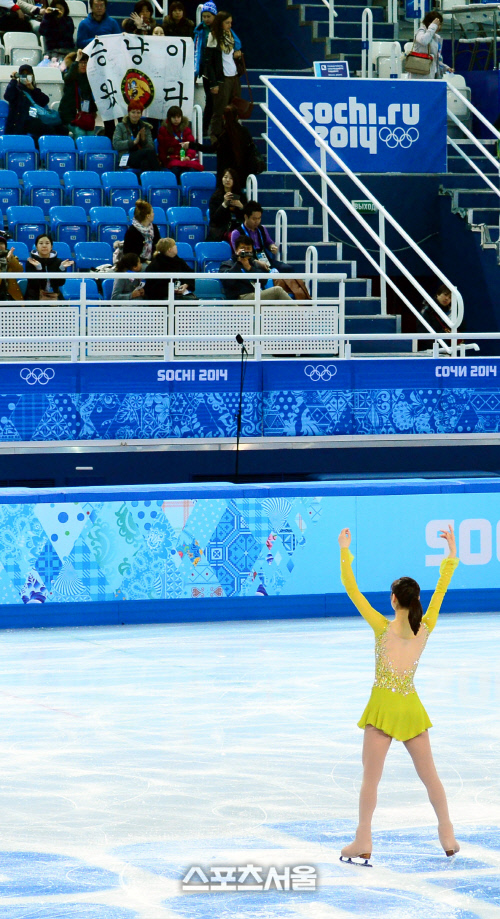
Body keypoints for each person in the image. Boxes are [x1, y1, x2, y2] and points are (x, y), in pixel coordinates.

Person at [337, 524, 460, 864]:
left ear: (393, 599)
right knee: (430, 776)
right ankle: (447, 834)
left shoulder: (381, 626)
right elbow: (442, 590)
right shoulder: (426, 625)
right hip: (410, 709)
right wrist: (450, 554)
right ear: (416, 600)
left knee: (370, 781)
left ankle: (363, 839)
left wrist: (345, 550)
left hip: (382, 711)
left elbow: (351, 589)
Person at [220, 235, 292, 303]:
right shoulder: (227, 264)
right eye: (243, 248)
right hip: (240, 298)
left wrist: (249, 268)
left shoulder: (253, 263)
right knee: (277, 291)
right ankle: (299, 314)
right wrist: (238, 263)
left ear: (252, 251)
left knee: (278, 303)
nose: (245, 251)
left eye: (248, 249)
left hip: (257, 295)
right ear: (236, 250)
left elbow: (264, 281)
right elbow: (228, 282)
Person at [205, 10, 242, 140]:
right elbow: (208, 62)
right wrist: (213, 83)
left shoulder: (230, 36)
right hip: (222, 78)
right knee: (219, 109)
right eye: (227, 23)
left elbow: (232, 54)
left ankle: (232, 135)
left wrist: (237, 55)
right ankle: (215, 137)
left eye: (231, 23)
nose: (230, 25)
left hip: (234, 75)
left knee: (234, 108)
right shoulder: (213, 36)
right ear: (220, 23)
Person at [230, 201, 292, 273]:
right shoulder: (236, 233)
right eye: (254, 219)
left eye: (259, 218)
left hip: (265, 259)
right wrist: (256, 262)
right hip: (249, 262)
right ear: (246, 217)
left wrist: (272, 247)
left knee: (287, 269)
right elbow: (238, 254)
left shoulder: (262, 228)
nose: (257, 221)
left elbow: (269, 242)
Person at [4, 64, 56, 139]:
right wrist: (13, 80)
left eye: (28, 74)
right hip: (18, 122)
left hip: (33, 121)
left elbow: (45, 100)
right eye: (23, 74)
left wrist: (33, 89)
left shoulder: (34, 91)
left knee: (57, 129)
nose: (25, 76)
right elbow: (8, 96)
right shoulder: (16, 89)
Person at [157, 105, 203, 181]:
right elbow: (162, 149)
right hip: (171, 159)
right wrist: (164, 161)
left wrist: (188, 156)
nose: (176, 119)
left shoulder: (186, 130)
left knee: (192, 170)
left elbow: (191, 146)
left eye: (178, 117)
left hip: (186, 158)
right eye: (174, 117)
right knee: (176, 169)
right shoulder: (163, 130)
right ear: (169, 118)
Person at [59, 49, 96, 138]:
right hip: (70, 115)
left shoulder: (89, 79)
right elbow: (68, 77)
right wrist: (76, 61)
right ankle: (80, 152)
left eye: (85, 63)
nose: (83, 65)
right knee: (80, 133)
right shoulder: (70, 77)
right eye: (81, 62)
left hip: (85, 116)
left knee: (91, 135)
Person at [113, 101, 159, 172]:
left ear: (141, 114)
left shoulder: (145, 127)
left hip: (141, 156)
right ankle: (159, 176)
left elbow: (151, 147)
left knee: (145, 163)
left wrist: (143, 140)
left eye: (138, 113)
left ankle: (144, 182)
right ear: (129, 113)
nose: (136, 115)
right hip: (126, 157)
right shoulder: (120, 126)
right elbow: (116, 144)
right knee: (149, 154)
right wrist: (133, 142)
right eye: (133, 112)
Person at [26, 234, 73, 301]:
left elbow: (60, 283)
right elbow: (34, 284)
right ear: (36, 246)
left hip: (54, 296)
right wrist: (39, 268)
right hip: (34, 297)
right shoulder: (31, 262)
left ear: (51, 246)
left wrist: (61, 269)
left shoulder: (58, 262)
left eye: (47, 243)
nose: (44, 246)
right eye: (41, 243)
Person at [194, 1, 217, 134]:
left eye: (209, 16)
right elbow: (196, 50)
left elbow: (236, 41)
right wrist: (197, 69)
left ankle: (215, 128)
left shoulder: (221, 29)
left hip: (220, 70)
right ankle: (204, 128)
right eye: (204, 16)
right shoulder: (199, 30)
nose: (206, 19)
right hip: (206, 69)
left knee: (218, 102)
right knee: (209, 99)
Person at [408, 10, 452, 80]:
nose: (439, 27)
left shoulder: (436, 38)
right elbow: (424, 41)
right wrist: (433, 26)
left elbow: (436, 59)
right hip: (418, 76)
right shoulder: (420, 31)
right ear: (430, 23)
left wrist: (446, 68)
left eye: (440, 24)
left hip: (431, 76)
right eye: (438, 24)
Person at [207, 167, 246, 242]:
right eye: (225, 177)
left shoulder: (240, 196)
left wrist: (241, 206)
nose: (227, 180)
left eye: (231, 178)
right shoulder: (216, 196)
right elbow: (214, 219)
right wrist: (224, 204)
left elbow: (247, 216)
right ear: (222, 179)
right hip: (221, 229)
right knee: (233, 237)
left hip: (238, 227)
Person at [123, 200, 161, 264]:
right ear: (147, 216)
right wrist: (145, 261)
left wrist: (157, 252)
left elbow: (157, 245)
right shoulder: (132, 231)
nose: (153, 214)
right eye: (152, 212)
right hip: (136, 263)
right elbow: (129, 254)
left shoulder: (154, 228)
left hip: (152, 261)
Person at [0, 231, 24, 302]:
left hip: (10, 294)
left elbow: (19, 271)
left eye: (2, 243)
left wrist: (11, 259)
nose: (0, 245)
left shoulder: (12, 257)